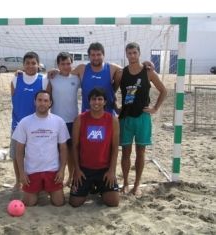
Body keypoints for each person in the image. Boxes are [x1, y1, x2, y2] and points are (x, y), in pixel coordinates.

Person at [119, 42, 167, 196]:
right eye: (129, 53)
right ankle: (126, 183)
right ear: (126, 54)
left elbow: (164, 91)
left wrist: (155, 108)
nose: (132, 55)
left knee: (141, 152)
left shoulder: (148, 72)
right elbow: (109, 91)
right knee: (125, 153)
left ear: (139, 53)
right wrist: (115, 107)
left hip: (142, 117)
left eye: (134, 53)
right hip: (126, 118)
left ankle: (136, 185)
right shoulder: (121, 73)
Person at [12, 90, 70, 206]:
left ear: (50, 103)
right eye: (39, 100)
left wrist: (62, 170)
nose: (42, 103)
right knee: (29, 203)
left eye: (45, 100)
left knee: (59, 203)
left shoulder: (59, 122)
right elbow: (19, 151)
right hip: (32, 171)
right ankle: (40, 189)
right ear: (35, 102)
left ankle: (45, 189)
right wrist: (22, 173)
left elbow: (63, 148)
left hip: (52, 170)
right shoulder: (25, 122)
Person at [69, 87, 120, 207]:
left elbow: (115, 147)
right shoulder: (80, 119)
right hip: (84, 169)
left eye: (100, 99)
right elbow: (74, 146)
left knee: (113, 202)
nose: (96, 102)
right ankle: (90, 186)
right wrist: (77, 170)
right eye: (93, 99)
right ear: (89, 101)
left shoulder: (112, 120)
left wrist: (111, 171)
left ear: (105, 102)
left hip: (104, 169)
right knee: (75, 203)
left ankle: (99, 187)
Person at [10, 51, 49, 190]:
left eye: (33, 63)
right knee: (16, 155)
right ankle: (18, 180)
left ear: (38, 65)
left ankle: (39, 180)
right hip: (17, 124)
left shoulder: (43, 80)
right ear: (23, 65)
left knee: (36, 154)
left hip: (37, 125)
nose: (30, 66)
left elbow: (48, 102)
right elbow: (14, 100)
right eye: (27, 63)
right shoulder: (16, 79)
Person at [47, 52, 80, 186]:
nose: (66, 66)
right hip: (56, 121)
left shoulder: (77, 78)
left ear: (71, 64)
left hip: (73, 121)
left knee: (72, 152)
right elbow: (46, 97)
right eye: (62, 64)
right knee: (58, 151)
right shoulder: (52, 78)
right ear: (58, 65)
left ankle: (71, 177)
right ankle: (58, 176)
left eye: (68, 63)